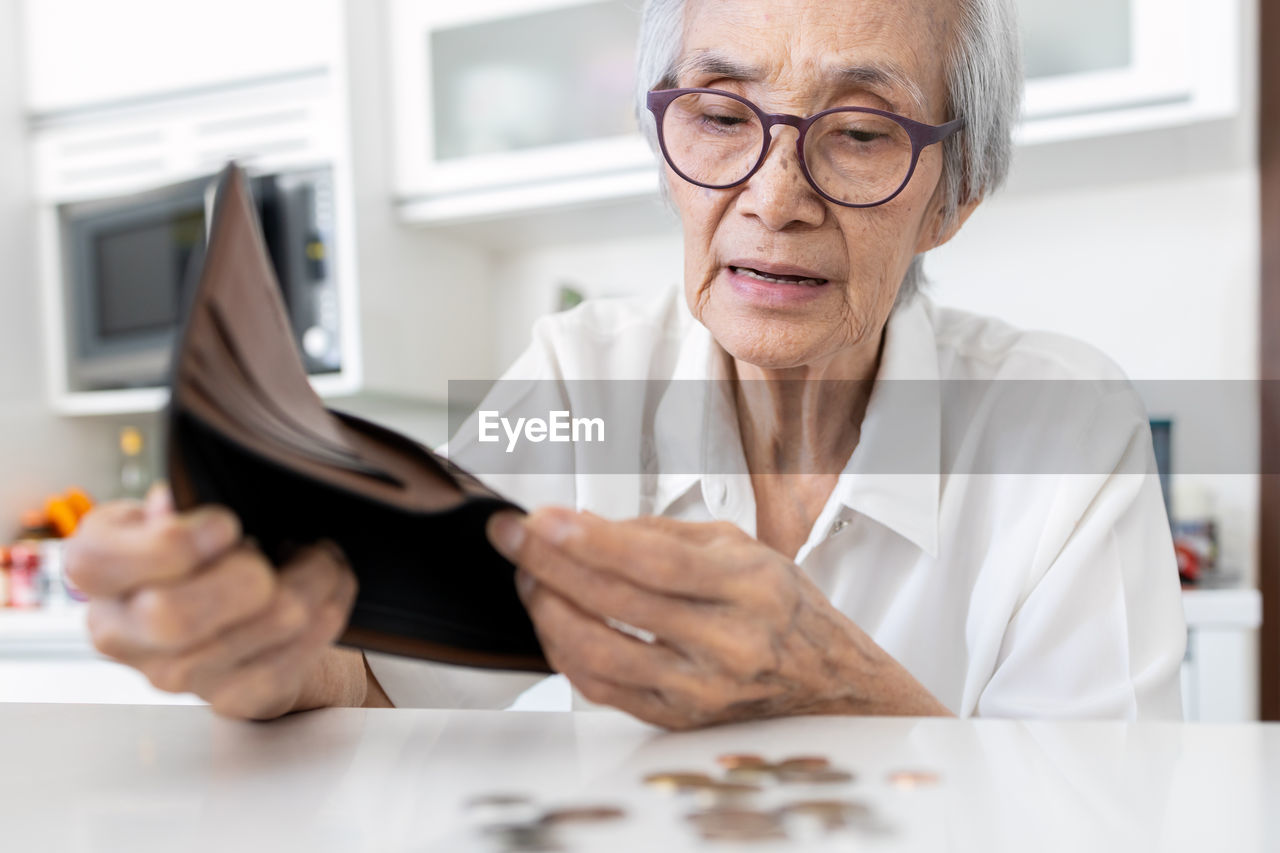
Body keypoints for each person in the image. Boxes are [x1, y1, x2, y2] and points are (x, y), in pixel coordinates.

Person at [65, 0, 1186, 728]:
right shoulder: (576, 378)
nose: (772, 197)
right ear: (662, 148)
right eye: (716, 113)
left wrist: (836, 686)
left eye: (856, 132)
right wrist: (254, 651)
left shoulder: (1063, 431)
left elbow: (1108, 823)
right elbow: (381, 676)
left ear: (952, 200)